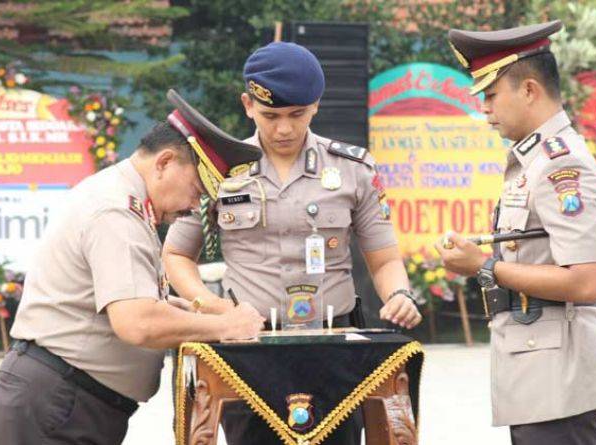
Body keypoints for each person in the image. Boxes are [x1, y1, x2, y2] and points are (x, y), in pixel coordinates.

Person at [163, 42, 421, 445]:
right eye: (270, 115)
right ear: (248, 105)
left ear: (315, 106)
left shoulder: (352, 169)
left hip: (334, 351)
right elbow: (176, 256)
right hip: (250, 352)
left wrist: (399, 294)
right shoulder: (221, 171)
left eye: (296, 114)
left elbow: (384, 258)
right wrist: (214, 309)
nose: (283, 129)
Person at [0, 90, 265, 445]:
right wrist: (224, 325)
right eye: (196, 190)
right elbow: (137, 321)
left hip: (69, 401)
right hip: (59, 403)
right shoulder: (116, 212)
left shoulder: (127, 201)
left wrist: (193, 308)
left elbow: (124, 302)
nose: (195, 207)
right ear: (164, 163)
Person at [438, 20, 596, 445]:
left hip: (559, 378)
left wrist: (484, 266)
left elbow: (586, 281)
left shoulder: (561, 165)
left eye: (490, 95)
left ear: (528, 91)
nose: (484, 109)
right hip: (539, 376)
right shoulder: (534, 160)